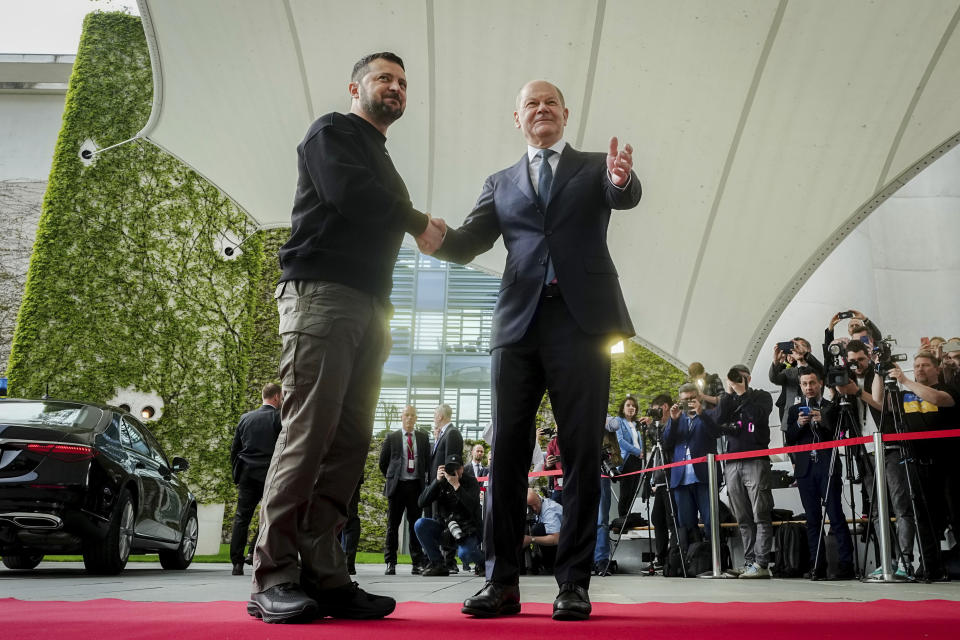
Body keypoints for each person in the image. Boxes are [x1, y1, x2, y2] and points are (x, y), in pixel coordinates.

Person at [426, 79, 641, 621]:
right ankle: (501, 583)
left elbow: (624, 195)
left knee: (582, 453)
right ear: (516, 118)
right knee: (506, 457)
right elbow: (470, 239)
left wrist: (622, 178)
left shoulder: (595, 166)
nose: (541, 110)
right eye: (531, 105)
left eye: (550, 103)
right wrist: (424, 231)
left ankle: (574, 583)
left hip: (582, 323)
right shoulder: (500, 182)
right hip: (517, 328)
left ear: (565, 115)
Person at [248, 52, 444, 624]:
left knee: (351, 442)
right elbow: (348, 196)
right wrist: (416, 221)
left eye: (403, 82)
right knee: (308, 434)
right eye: (385, 78)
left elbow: (405, 221)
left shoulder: (384, 160)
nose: (396, 87)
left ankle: (323, 573)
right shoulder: (332, 131)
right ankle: (273, 575)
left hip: (371, 307)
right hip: (322, 295)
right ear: (355, 87)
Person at [873, 352, 958, 580]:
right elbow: (879, 402)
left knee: (954, 515)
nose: (920, 369)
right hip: (918, 464)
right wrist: (879, 371)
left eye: (925, 365)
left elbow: (940, 400)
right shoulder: (906, 395)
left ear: (937, 369)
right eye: (916, 365)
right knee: (924, 519)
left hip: (948, 465)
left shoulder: (948, 389)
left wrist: (905, 380)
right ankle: (932, 568)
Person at [785, 368, 854, 580]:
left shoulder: (832, 406)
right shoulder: (795, 409)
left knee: (835, 515)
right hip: (805, 470)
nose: (809, 387)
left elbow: (841, 432)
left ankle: (846, 565)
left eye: (812, 383)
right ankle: (817, 565)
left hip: (828, 466)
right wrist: (799, 424)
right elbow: (790, 438)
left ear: (821, 383)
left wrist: (822, 419)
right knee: (812, 519)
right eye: (805, 384)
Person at [715, 364, 774, 579]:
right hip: (732, 462)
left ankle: (762, 563)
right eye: (733, 378)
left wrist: (742, 392)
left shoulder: (762, 396)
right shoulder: (729, 399)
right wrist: (728, 394)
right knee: (742, 517)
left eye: (740, 378)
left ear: (748, 377)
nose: (736, 381)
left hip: (756, 460)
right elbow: (718, 421)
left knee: (761, 513)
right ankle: (749, 562)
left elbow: (757, 417)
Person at [229, 383, 283, 576]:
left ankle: (236, 563)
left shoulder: (245, 418)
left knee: (241, 518)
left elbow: (235, 450)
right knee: (268, 517)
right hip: (269, 475)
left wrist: (237, 473)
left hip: (247, 474)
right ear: (276, 396)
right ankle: (253, 551)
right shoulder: (278, 418)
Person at [663, 383, 720, 553]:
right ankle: (690, 561)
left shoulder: (709, 414)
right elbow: (666, 443)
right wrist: (672, 420)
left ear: (698, 398)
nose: (688, 402)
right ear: (679, 400)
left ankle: (713, 559)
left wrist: (701, 414)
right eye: (685, 400)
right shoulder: (677, 418)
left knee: (710, 521)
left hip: (705, 477)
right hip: (681, 479)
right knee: (686, 523)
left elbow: (716, 433)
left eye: (692, 399)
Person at [378, 405, 430, 575]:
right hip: (397, 487)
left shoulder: (422, 438)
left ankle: (417, 563)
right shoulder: (392, 437)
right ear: (402, 417)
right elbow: (383, 463)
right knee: (393, 526)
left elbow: (426, 463)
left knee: (415, 526)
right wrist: (392, 478)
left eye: (412, 415)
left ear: (416, 418)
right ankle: (390, 563)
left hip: (415, 487)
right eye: (407, 415)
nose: (409, 418)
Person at [415, 454, 485, 577]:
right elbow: (421, 502)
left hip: (468, 529)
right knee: (420, 524)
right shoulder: (441, 482)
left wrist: (456, 486)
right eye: (450, 468)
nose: (454, 472)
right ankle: (438, 564)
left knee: (465, 555)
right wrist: (436, 481)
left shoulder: (471, 481)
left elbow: (472, 506)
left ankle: (482, 563)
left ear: (463, 468)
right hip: (446, 528)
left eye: (457, 468)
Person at [429, 404, 463, 572]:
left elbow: (451, 462)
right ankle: (443, 560)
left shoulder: (452, 433)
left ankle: (449, 561)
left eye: (435, 414)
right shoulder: (443, 435)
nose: (434, 417)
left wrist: (444, 485)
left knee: (447, 522)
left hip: (445, 488)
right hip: (439, 487)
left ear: (440, 416)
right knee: (439, 522)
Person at [769, 337, 824, 424]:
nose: (797, 349)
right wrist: (776, 361)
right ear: (791, 353)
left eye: (800, 346)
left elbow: (821, 370)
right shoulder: (788, 372)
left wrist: (805, 354)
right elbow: (774, 379)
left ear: (808, 349)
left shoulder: (817, 369)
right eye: (794, 347)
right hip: (792, 417)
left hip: (815, 416)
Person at [607, 396, 643, 519]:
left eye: (634, 405)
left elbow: (638, 440)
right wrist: (638, 451)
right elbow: (620, 440)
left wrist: (641, 453)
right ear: (622, 408)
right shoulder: (619, 421)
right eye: (628, 405)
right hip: (628, 459)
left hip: (638, 459)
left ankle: (628, 517)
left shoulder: (636, 424)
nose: (631, 407)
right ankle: (622, 519)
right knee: (626, 491)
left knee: (633, 490)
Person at [524, 488, 562, 575]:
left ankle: (551, 566)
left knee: (538, 529)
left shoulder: (549, 510)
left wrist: (531, 539)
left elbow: (556, 539)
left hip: (568, 544)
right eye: (530, 506)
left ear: (538, 497)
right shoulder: (542, 503)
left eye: (535, 504)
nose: (534, 508)